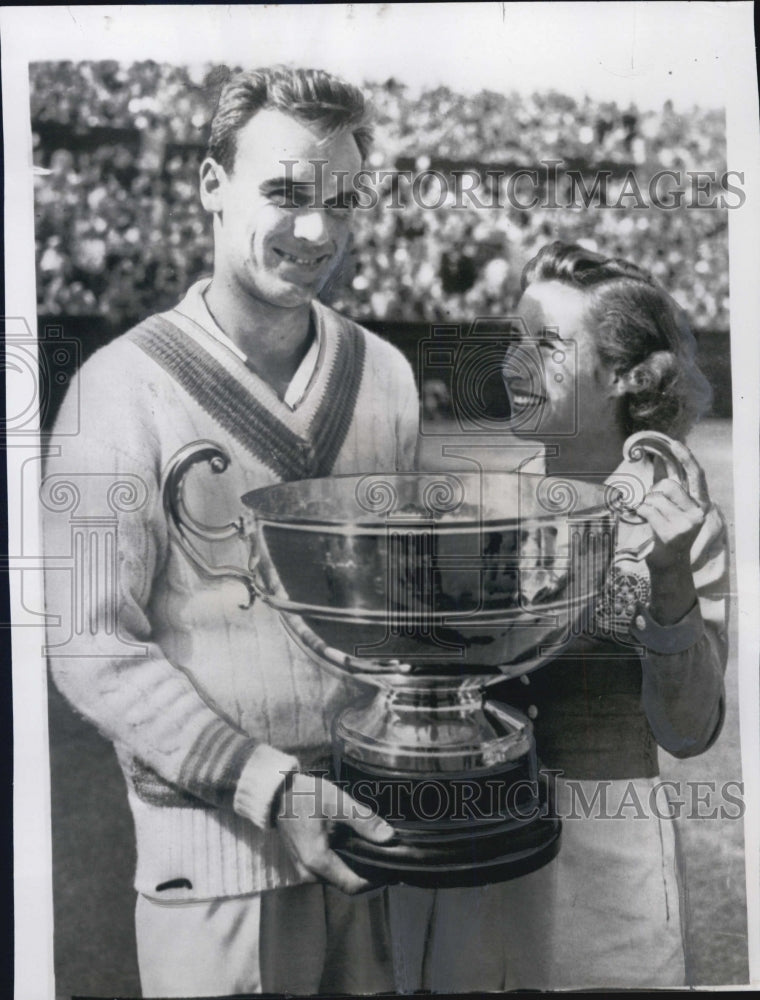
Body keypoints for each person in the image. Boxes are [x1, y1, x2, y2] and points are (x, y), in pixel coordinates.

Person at [43, 66, 419, 998]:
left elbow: (402, 611)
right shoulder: (115, 389)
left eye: (341, 201)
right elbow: (89, 644)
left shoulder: (389, 378)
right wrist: (269, 786)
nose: (318, 232)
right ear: (212, 186)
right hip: (213, 863)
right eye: (286, 194)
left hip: (374, 842)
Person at [389, 240, 728, 991]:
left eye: (546, 346)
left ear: (626, 377)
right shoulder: (481, 504)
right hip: (473, 850)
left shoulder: (684, 519)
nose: (513, 367)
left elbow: (688, 730)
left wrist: (670, 580)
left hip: (604, 869)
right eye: (515, 341)